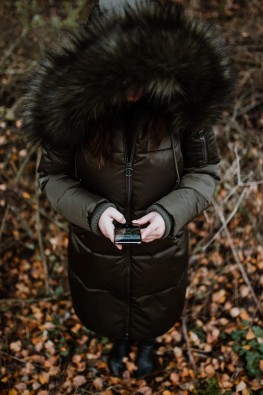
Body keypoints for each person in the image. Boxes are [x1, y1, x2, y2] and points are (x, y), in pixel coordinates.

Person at [22, 0, 234, 378]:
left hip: (163, 251)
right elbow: (51, 177)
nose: (133, 89)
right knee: (108, 310)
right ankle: (119, 340)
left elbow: (206, 170)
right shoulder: (68, 110)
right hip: (96, 249)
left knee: (156, 307)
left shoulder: (185, 105)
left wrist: (170, 214)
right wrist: (95, 212)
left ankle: (148, 342)